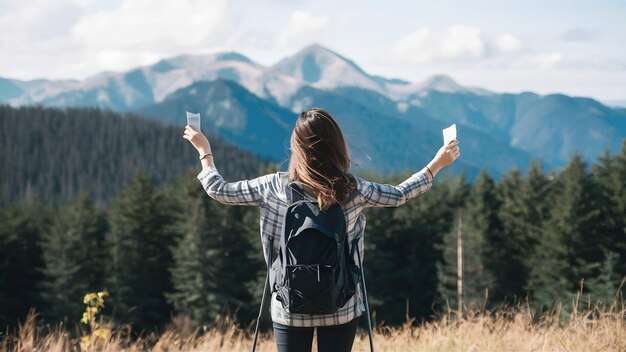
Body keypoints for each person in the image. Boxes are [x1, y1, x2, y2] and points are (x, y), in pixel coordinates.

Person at [183, 108, 460, 352]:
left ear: (296, 147)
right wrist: (437, 164)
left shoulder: (271, 187)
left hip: (288, 305)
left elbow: (219, 190)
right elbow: (400, 194)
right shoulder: (353, 189)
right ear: (336, 147)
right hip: (341, 305)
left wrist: (204, 151)